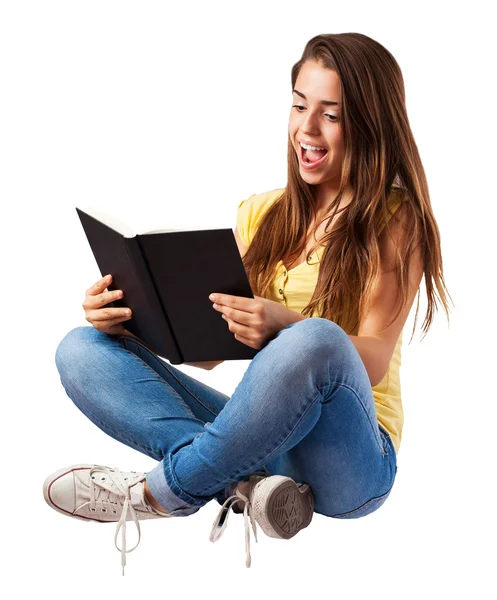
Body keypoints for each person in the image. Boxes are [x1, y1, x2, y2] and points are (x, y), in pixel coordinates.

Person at [43, 32, 452, 574]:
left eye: (331, 114)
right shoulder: (262, 214)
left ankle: (159, 493)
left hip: (353, 462)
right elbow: (210, 351)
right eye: (300, 106)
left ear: (371, 124)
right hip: (266, 445)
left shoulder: (395, 220)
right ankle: (246, 486)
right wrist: (131, 321)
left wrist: (286, 324)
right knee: (80, 348)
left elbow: (373, 357)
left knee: (316, 338)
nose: (307, 129)